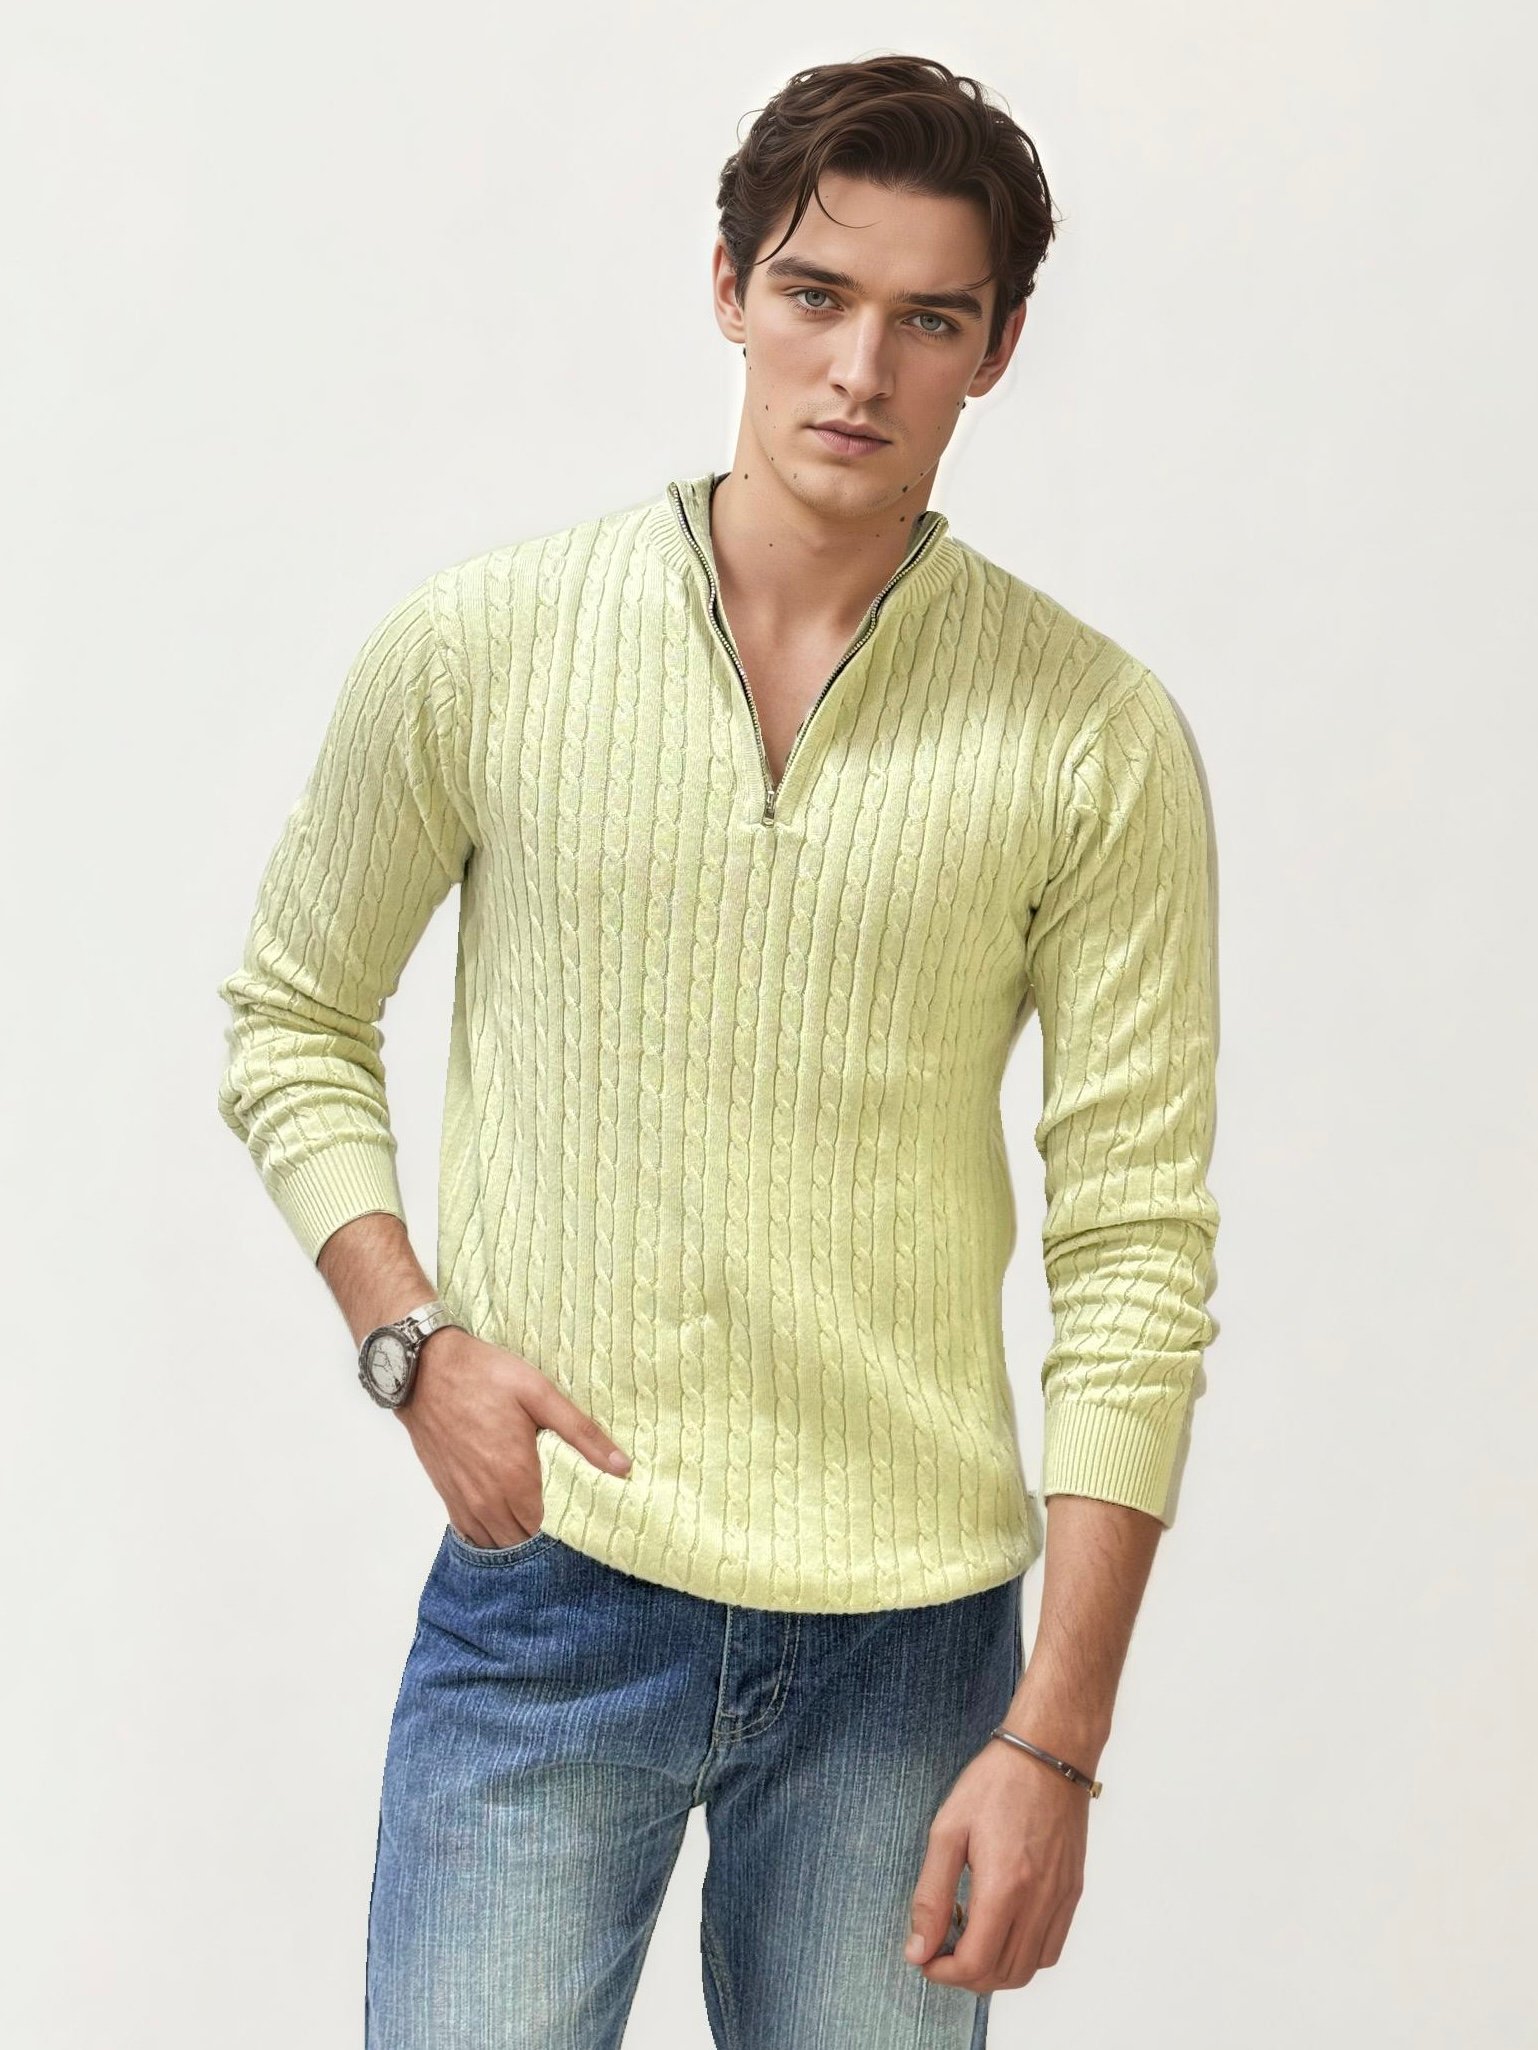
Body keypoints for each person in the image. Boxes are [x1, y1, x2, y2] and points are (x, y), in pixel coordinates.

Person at [215, 50, 1222, 2050]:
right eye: (814, 294)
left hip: (911, 1651)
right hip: (554, 1586)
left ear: (997, 349)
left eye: (927, 317)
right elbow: (294, 1012)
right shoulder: (486, 645)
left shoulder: (1091, 735)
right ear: (727, 289)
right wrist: (411, 1341)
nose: (858, 366)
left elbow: (1134, 1247)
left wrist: (1056, 1735)